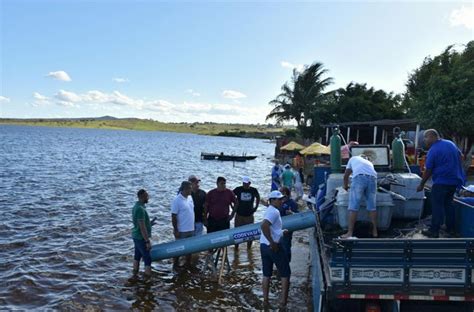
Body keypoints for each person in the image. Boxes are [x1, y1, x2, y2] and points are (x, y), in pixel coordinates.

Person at [416, 129, 465, 238]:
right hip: (454, 181)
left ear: (432, 137)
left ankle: (434, 231)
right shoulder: (450, 144)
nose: (424, 140)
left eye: (425, 137)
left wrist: (421, 184)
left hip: (441, 182)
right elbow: (461, 156)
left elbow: (428, 170)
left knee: (437, 206)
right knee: (449, 205)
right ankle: (451, 229)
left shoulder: (433, 150)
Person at [260, 190, 290, 308]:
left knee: (266, 274)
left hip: (263, 245)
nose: (281, 201)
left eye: (282, 199)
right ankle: (283, 303)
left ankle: (265, 300)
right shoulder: (275, 212)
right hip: (273, 246)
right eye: (279, 199)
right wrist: (272, 242)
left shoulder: (269, 210)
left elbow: (272, 228)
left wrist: (281, 232)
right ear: (272, 200)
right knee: (285, 273)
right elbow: (264, 225)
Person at [341, 154, 378, 238]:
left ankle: (349, 233)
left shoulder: (353, 159)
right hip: (373, 178)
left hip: (359, 178)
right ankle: (375, 232)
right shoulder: (369, 163)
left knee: (354, 206)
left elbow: (346, 175)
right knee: (372, 206)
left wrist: (345, 186)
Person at [171, 181, 195, 267]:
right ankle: (175, 265)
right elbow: (173, 216)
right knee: (178, 250)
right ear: (184, 189)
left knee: (189, 249)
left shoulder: (190, 198)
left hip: (191, 229)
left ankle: (188, 265)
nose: (191, 190)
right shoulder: (177, 200)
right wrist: (176, 230)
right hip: (182, 230)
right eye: (190, 188)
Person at [233, 176, 260, 249]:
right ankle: (236, 248)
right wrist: (233, 207)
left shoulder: (253, 190)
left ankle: (249, 248)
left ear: (249, 183)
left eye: (246, 183)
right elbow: (231, 196)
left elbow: (258, 197)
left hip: (249, 215)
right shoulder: (238, 189)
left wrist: (256, 207)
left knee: (250, 233)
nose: (245, 185)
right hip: (239, 214)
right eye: (244, 183)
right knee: (237, 233)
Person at [132, 189, 152, 276]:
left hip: (136, 236)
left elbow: (140, 223)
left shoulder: (136, 206)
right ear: (142, 197)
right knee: (147, 258)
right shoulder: (140, 209)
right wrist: (147, 241)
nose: (148, 197)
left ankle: (135, 274)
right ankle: (148, 278)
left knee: (137, 256)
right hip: (141, 238)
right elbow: (142, 227)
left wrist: (150, 224)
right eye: (147, 196)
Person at [279, 186, 298, 262]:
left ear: (285, 194)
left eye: (281, 193)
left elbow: (297, 215)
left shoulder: (292, 203)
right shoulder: (279, 202)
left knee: (286, 245)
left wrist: (291, 213)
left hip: (287, 227)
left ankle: (286, 262)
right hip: (278, 227)